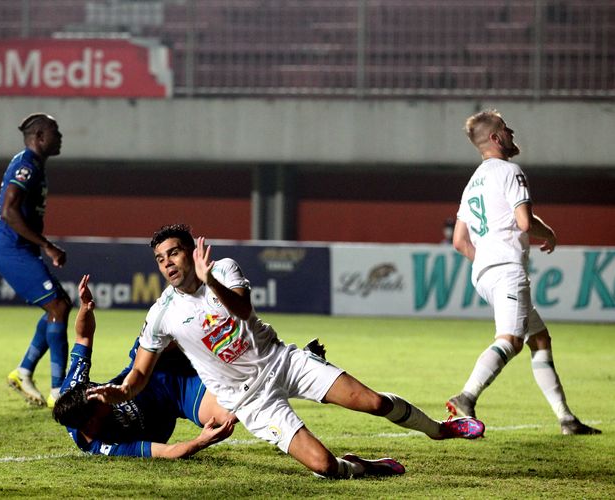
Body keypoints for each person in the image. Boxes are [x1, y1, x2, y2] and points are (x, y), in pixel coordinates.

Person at [87, 224, 485, 479]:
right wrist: (118, 392)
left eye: (173, 252)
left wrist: (212, 283)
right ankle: (364, 466)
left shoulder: (222, 269)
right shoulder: (162, 314)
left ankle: (441, 429)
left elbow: (242, 309)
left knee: (375, 402)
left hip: (283, 362)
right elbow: (139, 375)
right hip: (249, 401)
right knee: (325, 467)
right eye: (160, 258)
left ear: (192, 251)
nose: (167, 263)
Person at [446, 109, 601, 436]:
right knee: (511, 341)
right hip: (506, 271)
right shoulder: (510, 171)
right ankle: (466, 396)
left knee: (539, 339)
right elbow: (525, 223)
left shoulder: (472, 183)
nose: (511, 131)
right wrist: (552, 234)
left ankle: (567, 419)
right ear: (495, 137)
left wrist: (488, 258)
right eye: (505, 128)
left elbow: (460, 242)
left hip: (484, 274)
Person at [53, 274, 236, 458]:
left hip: (150, 365)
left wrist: (85, 307)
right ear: (92, 422)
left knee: (174, 326)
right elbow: (166, 452)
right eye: (100, 400)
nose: (102, 392)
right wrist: (201, 441)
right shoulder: (107, 445)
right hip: (179, 395)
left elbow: (83, 337)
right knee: (228, 415)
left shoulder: (74, 388)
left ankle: (215, 299)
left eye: (96, 390)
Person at [0, 113, 71, 408]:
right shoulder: (26, 165)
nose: (60, 136)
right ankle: (59, 391)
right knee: (58, 306)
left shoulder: (33, 164)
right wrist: (48, 246)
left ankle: (23, 371)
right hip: (12, 250)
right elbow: (10, 211)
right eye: (54, 131)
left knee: (58, 306)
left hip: (19, 249)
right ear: (39, 136)